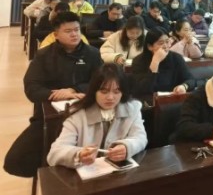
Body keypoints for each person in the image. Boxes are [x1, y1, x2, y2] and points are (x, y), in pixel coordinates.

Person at [4, 11, 103, 177]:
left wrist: (74, 90)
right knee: (15, 161)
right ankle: (51, 176)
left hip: (84, 115)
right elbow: (31, 88)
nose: (74, 34)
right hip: (50, 117)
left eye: (77, 30)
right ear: (56, 34)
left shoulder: (92, 53)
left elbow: (100, 83)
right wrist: (53, 94)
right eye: (68, 31)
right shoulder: (44, 55)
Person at [46, 64, 147, 168]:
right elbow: (55, 153)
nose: (110, 97)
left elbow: (140, 137)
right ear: (94, 91)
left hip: (118, 173)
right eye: (104, 91)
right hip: (86, 174)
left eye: (116, 91)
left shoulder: (132, 109)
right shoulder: (78, 115)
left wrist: (127, 147)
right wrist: (79, 155)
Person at [131, 28, 195, 98]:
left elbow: (191, 80)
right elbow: (142, 89)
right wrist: (155, 62)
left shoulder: (176, 58)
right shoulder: (138, 61)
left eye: (167, 42)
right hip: (148, 100)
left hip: (171, 99)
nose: (165, 46)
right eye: (161, 43)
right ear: (150, 46)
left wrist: (184, 86)